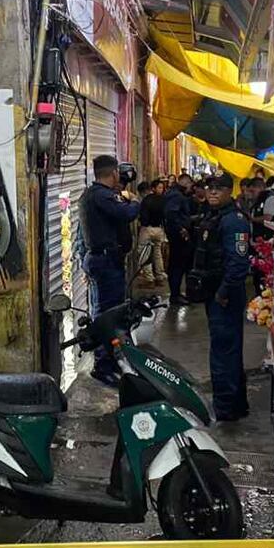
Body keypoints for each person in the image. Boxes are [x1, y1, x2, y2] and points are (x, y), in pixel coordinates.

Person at [192, 173, 251, 420]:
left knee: (224, 351)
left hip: (225, 294)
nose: (213, 192)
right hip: (215, 291)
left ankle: (226, 408)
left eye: (219, 188)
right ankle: (233, 404)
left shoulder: (234, 221)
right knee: (225, 348)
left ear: (229, 191)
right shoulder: (214, 216)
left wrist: (224, 291)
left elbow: (238, 263)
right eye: (210, 188)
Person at [79, 155, 140, 386]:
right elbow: (127, 214)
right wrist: (135, 201)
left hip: (102, 260)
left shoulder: (90, 195)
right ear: (114, 173)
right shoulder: (101, 196)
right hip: (105, 262)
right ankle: (103, 365)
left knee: (109, 312)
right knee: (107, 315)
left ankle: (110, 360)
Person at [163, 173, 194, 306]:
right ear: (186, 183)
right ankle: (175, 295)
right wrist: (181, 229)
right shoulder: (176, 196)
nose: (191, 188)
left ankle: (176, 294)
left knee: (178, 265)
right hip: (178, 237)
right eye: (190, 184)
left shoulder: (175, 194)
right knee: (177, 266)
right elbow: (171, 214)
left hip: (176, 235)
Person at [137, 180, 167, 285]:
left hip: (147, 229)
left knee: (144, 253)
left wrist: (142, 223)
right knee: (157, 253)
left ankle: (149, 278)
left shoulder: (146, 200)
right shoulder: (162, 200)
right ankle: (160, 276)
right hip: (159, 229)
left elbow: (144, 217)